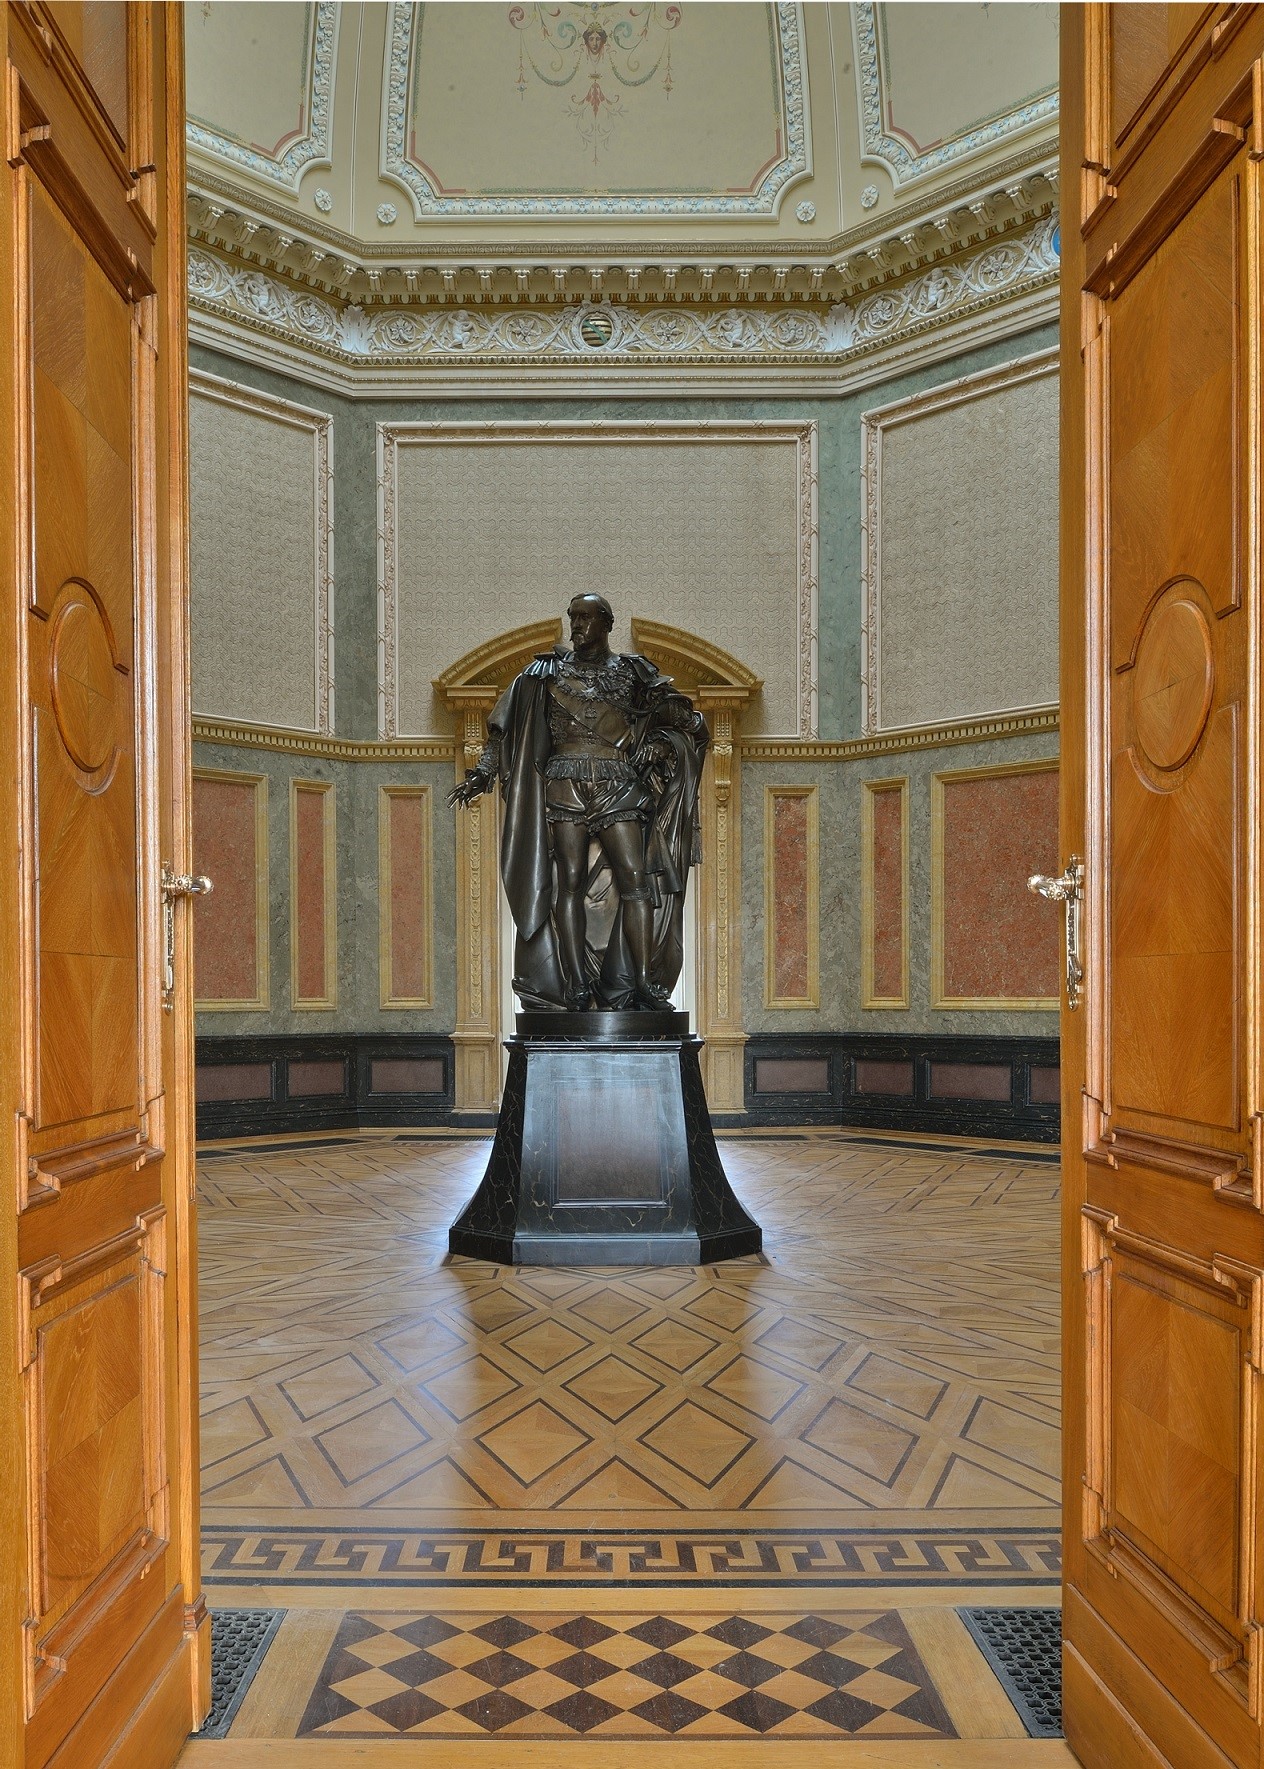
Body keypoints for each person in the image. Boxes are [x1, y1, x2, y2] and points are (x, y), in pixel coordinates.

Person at [449, 594, 709, 1012]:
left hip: (617, 782)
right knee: (566, 882)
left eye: (585, 617)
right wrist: (482, 771)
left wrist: (662, 746)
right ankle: (575, 983)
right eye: (573, 617)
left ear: (606, 623)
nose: (577, 625)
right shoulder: (544, 672)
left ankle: (644, 982)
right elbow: (505, 729)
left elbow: (689, 724)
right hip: (563, 782)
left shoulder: (634, 674)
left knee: (636, 881)